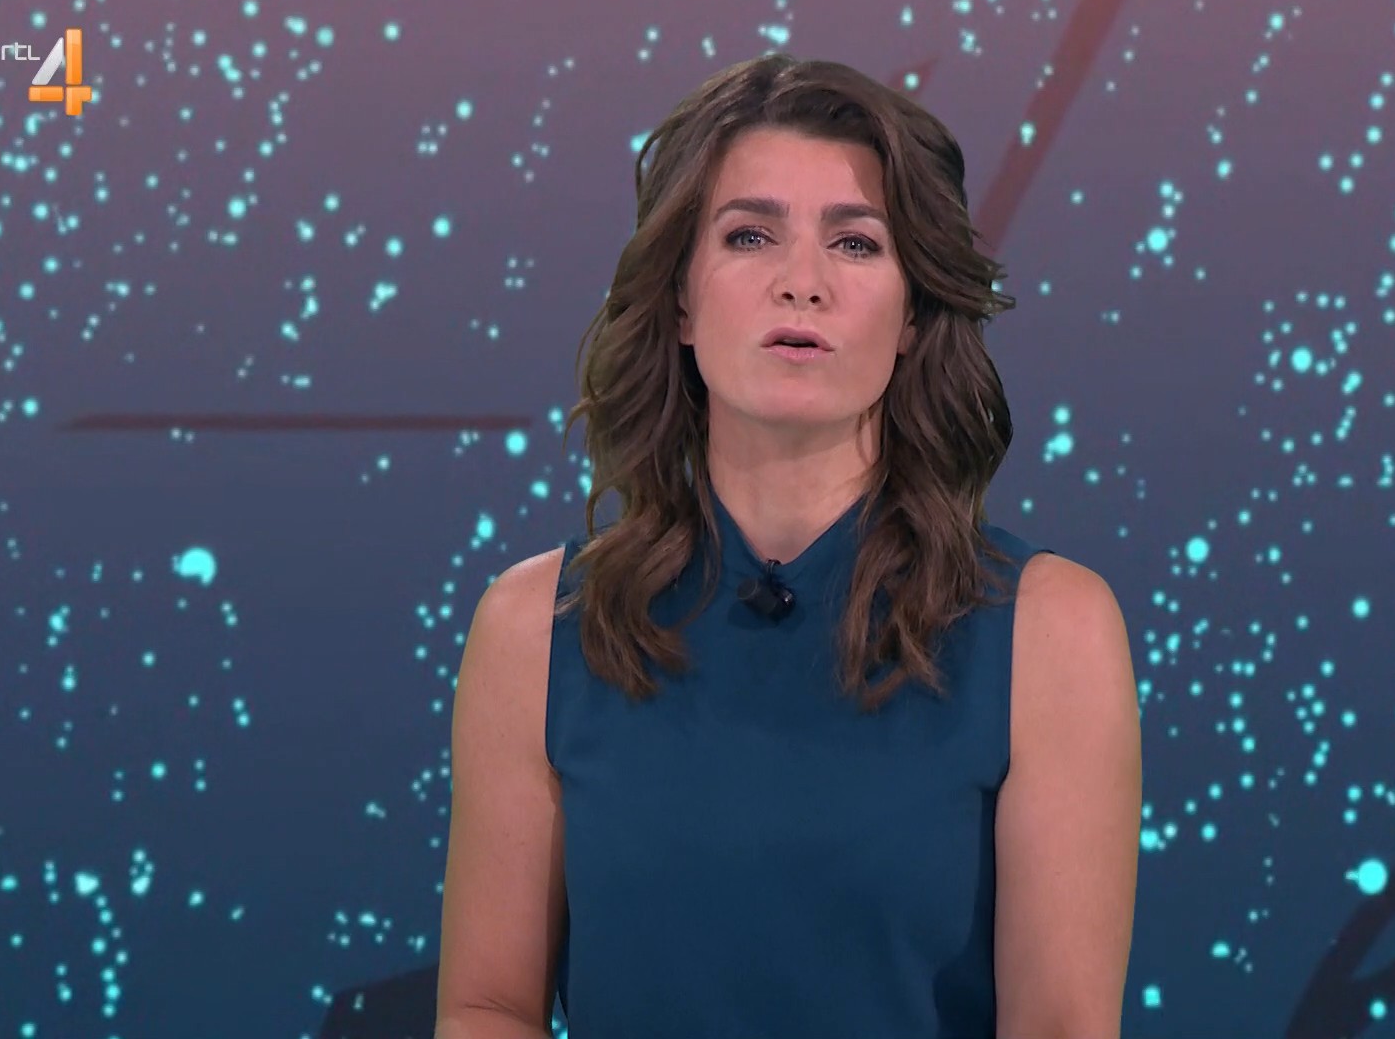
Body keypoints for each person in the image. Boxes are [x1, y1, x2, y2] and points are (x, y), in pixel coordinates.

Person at [434, 52, 1141, 1039]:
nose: (802, 283)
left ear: (911, 313)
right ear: (681, 300)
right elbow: (487, 1009)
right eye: (750, 235)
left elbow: (1059, 1026)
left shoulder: (1050, 630)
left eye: (855, 244)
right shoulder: (533, 628)